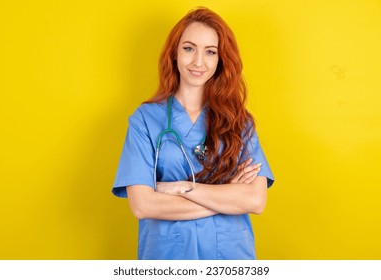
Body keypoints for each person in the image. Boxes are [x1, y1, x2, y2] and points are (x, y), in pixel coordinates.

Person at [112, 7, 274, 260]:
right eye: (189, 48)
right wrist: (226, 197)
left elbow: (254, 201)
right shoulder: (144, 120)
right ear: (174, 54)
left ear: (220, 60)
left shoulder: (239, 122)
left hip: (230, 258)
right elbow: (143, 205)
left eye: (210, 52)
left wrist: (180, 188)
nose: (199, 62)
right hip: (168, 257)